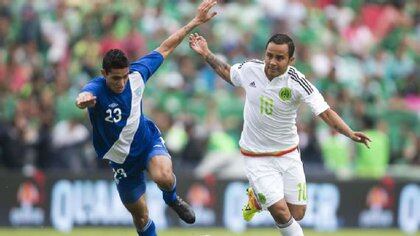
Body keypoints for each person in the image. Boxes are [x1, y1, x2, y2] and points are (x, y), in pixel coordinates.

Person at [189, 33, 371, 236]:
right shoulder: (251, 69)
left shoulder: (297, 82)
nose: (272, 62)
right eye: (269, 55)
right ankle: (263, 198)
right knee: (282, 214)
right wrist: (206, 53)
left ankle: (256, 200)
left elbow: (325, 112)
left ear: (291, 60)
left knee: (298, 213)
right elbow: (226, 71)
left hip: (288, 154)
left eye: (279, 58)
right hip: (256, 157)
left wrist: (349, 133)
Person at [75, 1, 217, 235]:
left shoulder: (138, 74)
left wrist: (195, 22)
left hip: (146, 141)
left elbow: (166, 47)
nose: (121, 83)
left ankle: (172, 199)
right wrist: (83, 101)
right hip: (120, 160)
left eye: (124, 76)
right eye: (115, 79)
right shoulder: (97, 89)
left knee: (163, 176)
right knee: (140, 216)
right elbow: (82, 96)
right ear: (104, 75)